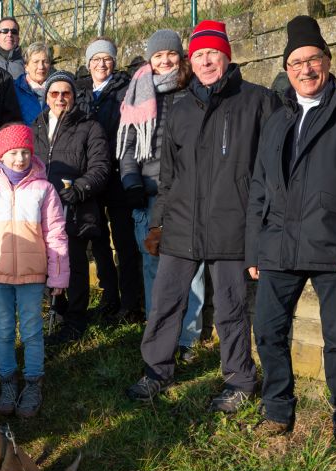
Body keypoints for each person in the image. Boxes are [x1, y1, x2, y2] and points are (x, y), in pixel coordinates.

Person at [246, 16, 336, 444]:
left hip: (335, 247)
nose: (306, 70)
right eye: (296, 63)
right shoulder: (277, 119)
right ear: (286, 70)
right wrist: (254, 248)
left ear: (327, 61)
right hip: (277, 247)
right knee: (268, 331)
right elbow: (259, 187)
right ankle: (278, 410)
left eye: (313, 60)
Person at [126, 20, 280, 412]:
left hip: (231, 224)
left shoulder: (257, 101)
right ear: (189, 62)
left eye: (213, 53)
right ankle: (156, 372)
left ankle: (239, 380)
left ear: (227, 55)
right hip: (181, 223)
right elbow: (169, 176)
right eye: (199, 55)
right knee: (165, 302)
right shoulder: (180, 107)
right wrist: (158, 222)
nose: (207, 61)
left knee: (230, 307)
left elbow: (274, 167)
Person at [0, 123, 69, 417]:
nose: (20, 158)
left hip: (33, 275)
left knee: (33, 331)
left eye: (25, 152)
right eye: (13, 152)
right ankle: (8, 381)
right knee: (4, 330)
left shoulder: (44, 190)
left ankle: (33, 382)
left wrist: (58, 274)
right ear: (1, 155)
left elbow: (56, 235)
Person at [119, 29, 205, 359]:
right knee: (152, 265)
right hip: (149, 192)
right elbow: (127, 146)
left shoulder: (193, 90)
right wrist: (132, 185)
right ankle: (159, 333)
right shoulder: (137, 92)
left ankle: (188, 337)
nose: (164, 60)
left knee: (191, 265)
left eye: (170, 54)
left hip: (186, 193)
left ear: (179, 55)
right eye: (158, 56)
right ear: (150, 59)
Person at [31, 71, 109, 343]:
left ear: (74, 97)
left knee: (73, 265)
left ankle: (75, 321)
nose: (60, 98)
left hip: (74, 209)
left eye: (66, 93)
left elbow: (101, 167)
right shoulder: (36, 126)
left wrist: (79, 189)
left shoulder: (89, 126)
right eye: (54, 93)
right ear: (47, 97)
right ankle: (56, 313)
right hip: (43, 211)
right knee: (46, 263)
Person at [74, 37, 143, 322]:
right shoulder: (81, 95)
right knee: (98, 240)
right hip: (92, 176)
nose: (102, 64)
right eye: (96, 59)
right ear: (89, 64)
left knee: (125, 242)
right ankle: (108, 296)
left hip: (117, 175)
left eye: (107, 59)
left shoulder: (126, 90)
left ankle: (130, 302)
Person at [14, 42, 51, 125]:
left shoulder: (57, 89)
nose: (41, 67)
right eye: (35, 62)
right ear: (26, 66)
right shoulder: (15, 90)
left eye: (45, 61)